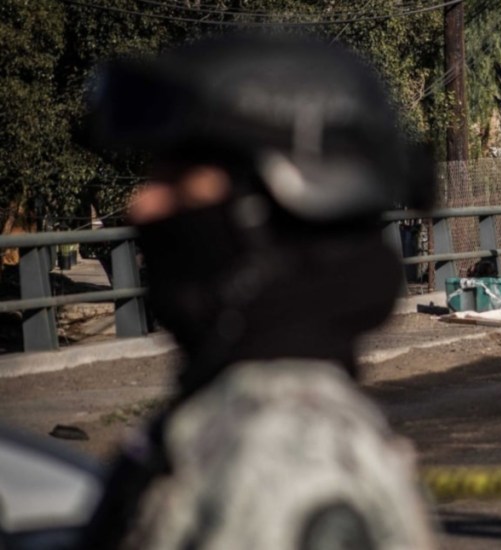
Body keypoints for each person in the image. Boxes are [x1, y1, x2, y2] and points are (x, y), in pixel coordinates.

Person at [79, 34, 437, 549]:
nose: (143, 206)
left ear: (280, 205)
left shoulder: (287, 462)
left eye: (181, 180)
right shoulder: (235, 420)